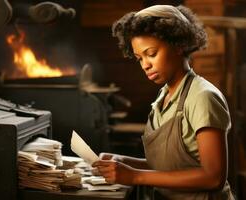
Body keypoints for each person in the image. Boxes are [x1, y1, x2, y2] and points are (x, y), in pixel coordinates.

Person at [92, 4, 235, 200]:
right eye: (139, 58)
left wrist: (135, 176)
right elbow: (171, 168)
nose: (145, 65)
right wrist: (125, 162)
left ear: (179, 45)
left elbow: (213, 177)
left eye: (151, 54)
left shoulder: (203, 97)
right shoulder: (163, 95)